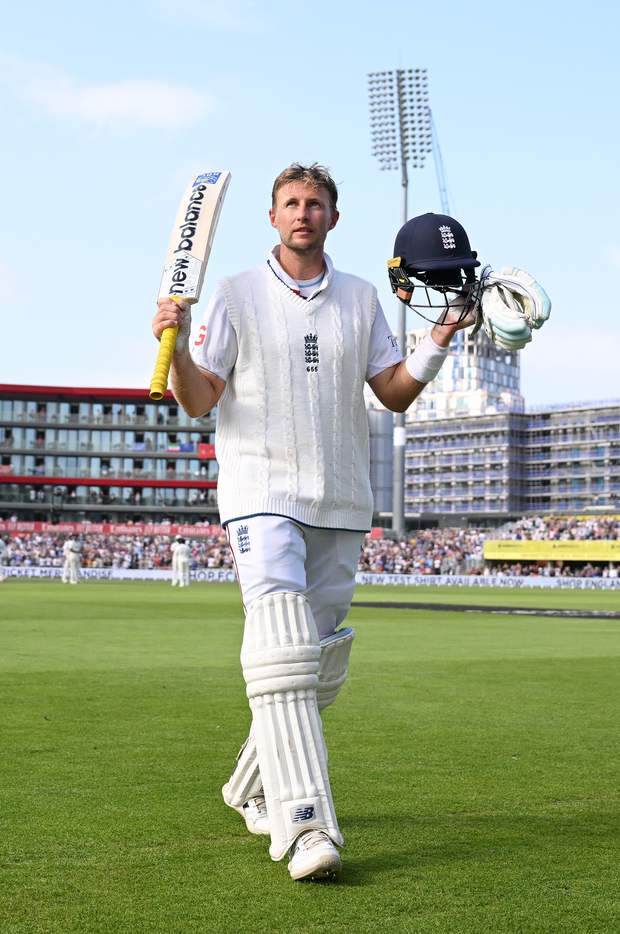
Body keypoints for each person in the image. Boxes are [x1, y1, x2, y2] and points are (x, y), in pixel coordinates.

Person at [151, 163, 482, 881]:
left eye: (317, 204)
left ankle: (248, 786)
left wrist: (442, 336)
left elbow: (391, 395)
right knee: (280, 650)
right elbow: (200, 399)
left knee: (318, 660)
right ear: (273, 217)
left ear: (334, 218)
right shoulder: (236, 294)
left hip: (340, 499)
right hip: (259, 490)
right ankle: (306, 828)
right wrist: (173, 349)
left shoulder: (361, 299)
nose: (303, 213)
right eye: (292, 203)